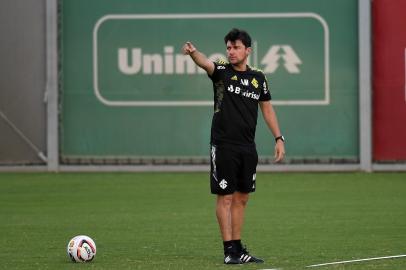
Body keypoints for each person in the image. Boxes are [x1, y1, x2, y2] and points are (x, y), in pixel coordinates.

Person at [182, 28, 285, 265]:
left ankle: (239, 248)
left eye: (236, 47)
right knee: (225, 197)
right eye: (228, 47)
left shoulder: (258, 77)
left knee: (242, 198)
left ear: (248, 50)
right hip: (224, 145)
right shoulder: (221, 71)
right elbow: (205, 63)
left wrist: (279, 138)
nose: (231, 51)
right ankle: (229, 250)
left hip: (247, 147)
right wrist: (193, 53)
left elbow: (267, 108)